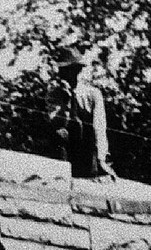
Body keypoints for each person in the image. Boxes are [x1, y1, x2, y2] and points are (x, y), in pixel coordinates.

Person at [48, 49, 114, 181]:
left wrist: (101, 158)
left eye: (68, 70)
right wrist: (65, 101)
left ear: (77, 70)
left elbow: (99, 128)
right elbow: (55, 123)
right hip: (65, 155)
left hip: (88, 154)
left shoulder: (93, 94)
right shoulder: (55, 94)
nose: (63, 74)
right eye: (62, 70)